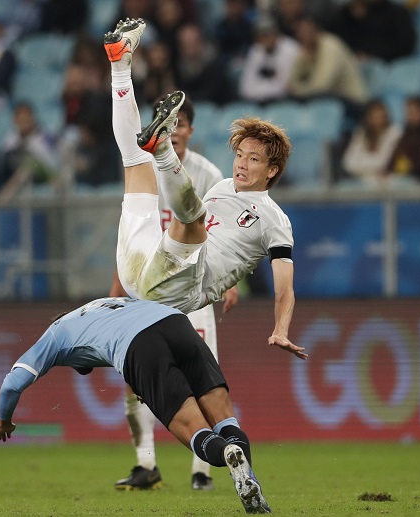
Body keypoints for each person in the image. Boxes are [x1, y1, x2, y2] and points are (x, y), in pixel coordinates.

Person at [103, 18, 306, 360]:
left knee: (172, 198)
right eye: (240, 155)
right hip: (144, 268)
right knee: (137, 163)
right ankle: (121, 66)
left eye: (253, 159)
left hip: (178, 289)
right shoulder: (222, 186)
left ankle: (160, 146)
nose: (241, 164)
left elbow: (285, 287)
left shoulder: (275, 220)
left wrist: (281, 328)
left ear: (273, 170)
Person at [0, 296, 272, 514]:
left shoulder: (55, 334)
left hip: (140, 344)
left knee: (194, 429)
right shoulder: (102, 305)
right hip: (177, 322)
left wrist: (4, 420)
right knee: (226, 420)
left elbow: (11, 384)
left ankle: (225, 453)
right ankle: (250, 485)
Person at [110, 95, 238, 491]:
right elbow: (131, 231)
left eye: (182, 123)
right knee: (136, 378)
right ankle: (145, 463)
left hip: (191, 290)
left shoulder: (207, 172)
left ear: (190, 131)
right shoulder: (142, 169)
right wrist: (118, 288)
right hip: (149, 286)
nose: (176, 130)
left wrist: (228, 280)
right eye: (169, 123)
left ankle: (202, 469)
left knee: (202, 378)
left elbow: (220, 228)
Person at [287, 16, 368, 106]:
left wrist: (298, 90)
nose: (304, 34)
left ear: (316, 30)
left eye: (307, 30)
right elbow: (292, 83)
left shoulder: (330, 45)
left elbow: (322, 86)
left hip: (352, 101)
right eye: (300, 31)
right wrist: (304, 61)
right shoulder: (305, 51)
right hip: (330, 100)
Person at [238, 16, 299, 104]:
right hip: (259, 102)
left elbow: (286, 87)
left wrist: (261, 88)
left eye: (268, 34)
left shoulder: (290, 48)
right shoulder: (256, 50)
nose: (265, 39)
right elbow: (245, 88)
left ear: (277, 34)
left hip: (285, 102)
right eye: (261, 35)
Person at [340, 99, 401, 185]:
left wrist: (362, 164)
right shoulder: (361, 133)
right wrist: (371, 169)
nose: (378, 119)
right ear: (368, 117)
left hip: (386, 182)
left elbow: (383, 162)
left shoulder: (394, 132)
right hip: (361, 181)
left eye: (381, 116)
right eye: (375, 116)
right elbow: (349, 163)